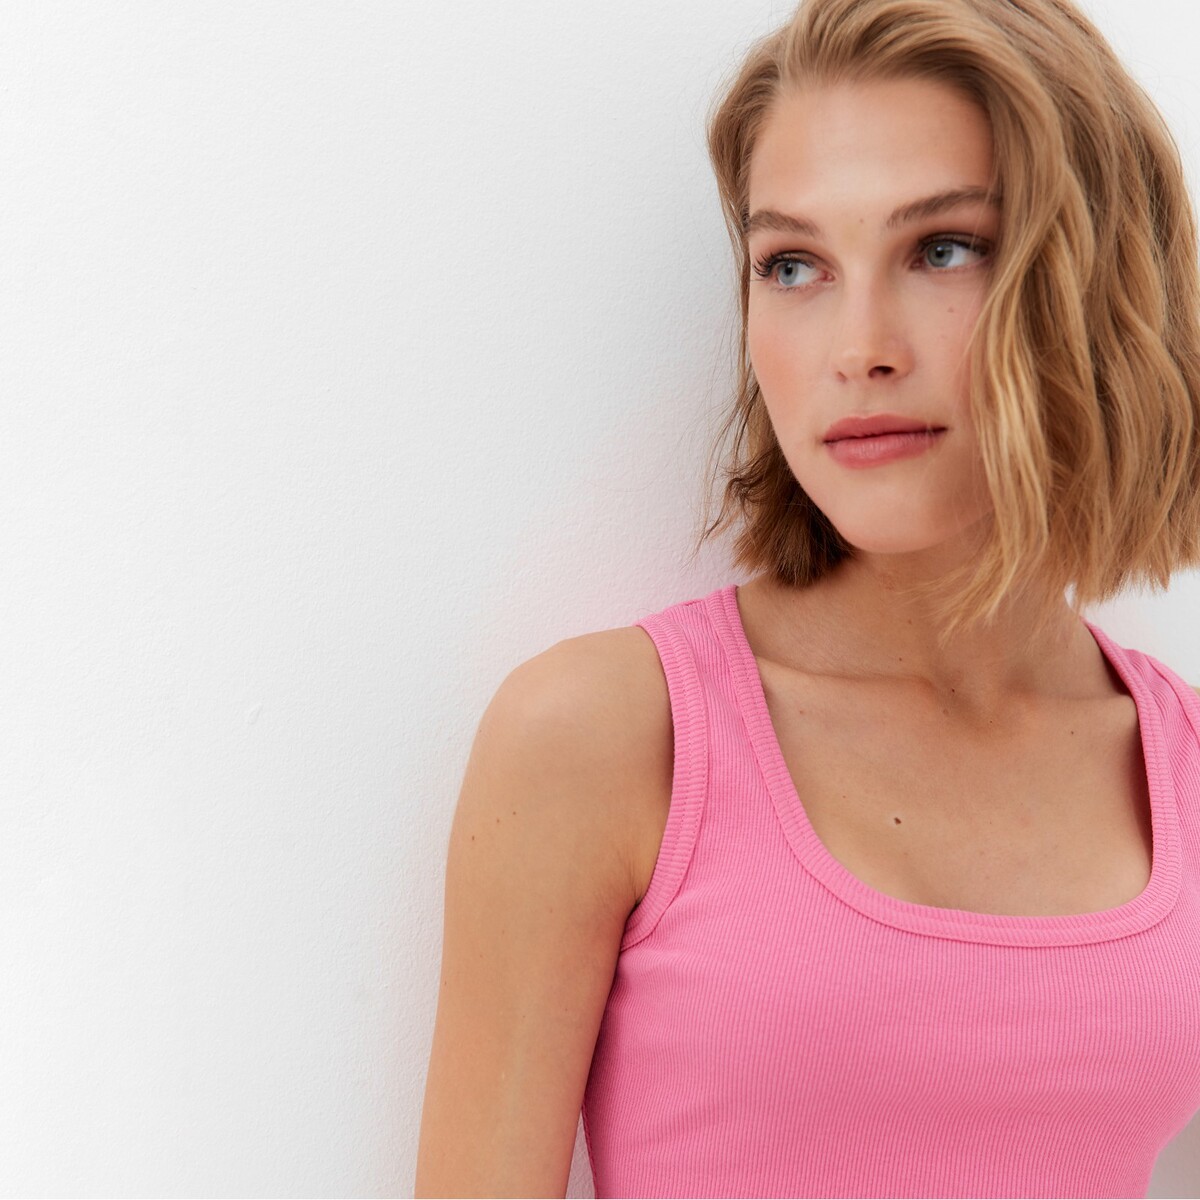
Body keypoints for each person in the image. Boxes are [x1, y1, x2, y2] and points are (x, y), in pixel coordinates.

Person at [415, 0, 1200, 1195]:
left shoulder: (1182, 763)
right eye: (794, 266)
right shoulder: (609, 735)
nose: (858, 347)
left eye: (943, 249)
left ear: (1097, 279)